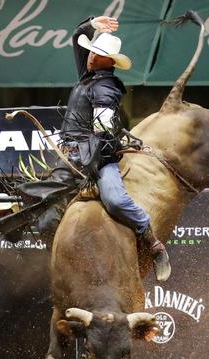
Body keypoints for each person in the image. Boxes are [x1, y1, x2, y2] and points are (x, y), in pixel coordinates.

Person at [59, 15, 170, 281]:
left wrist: (93, 154)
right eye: (91, 50)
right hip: (73, 153)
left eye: (94, 52)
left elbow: (103, 130)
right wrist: (92, 23)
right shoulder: (88, 74)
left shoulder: (106, 88)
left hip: (99, 158)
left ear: (104, 61)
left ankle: (152, 242)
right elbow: (77, 36)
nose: (88, 54)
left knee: (115, 199)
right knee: (41, 194)